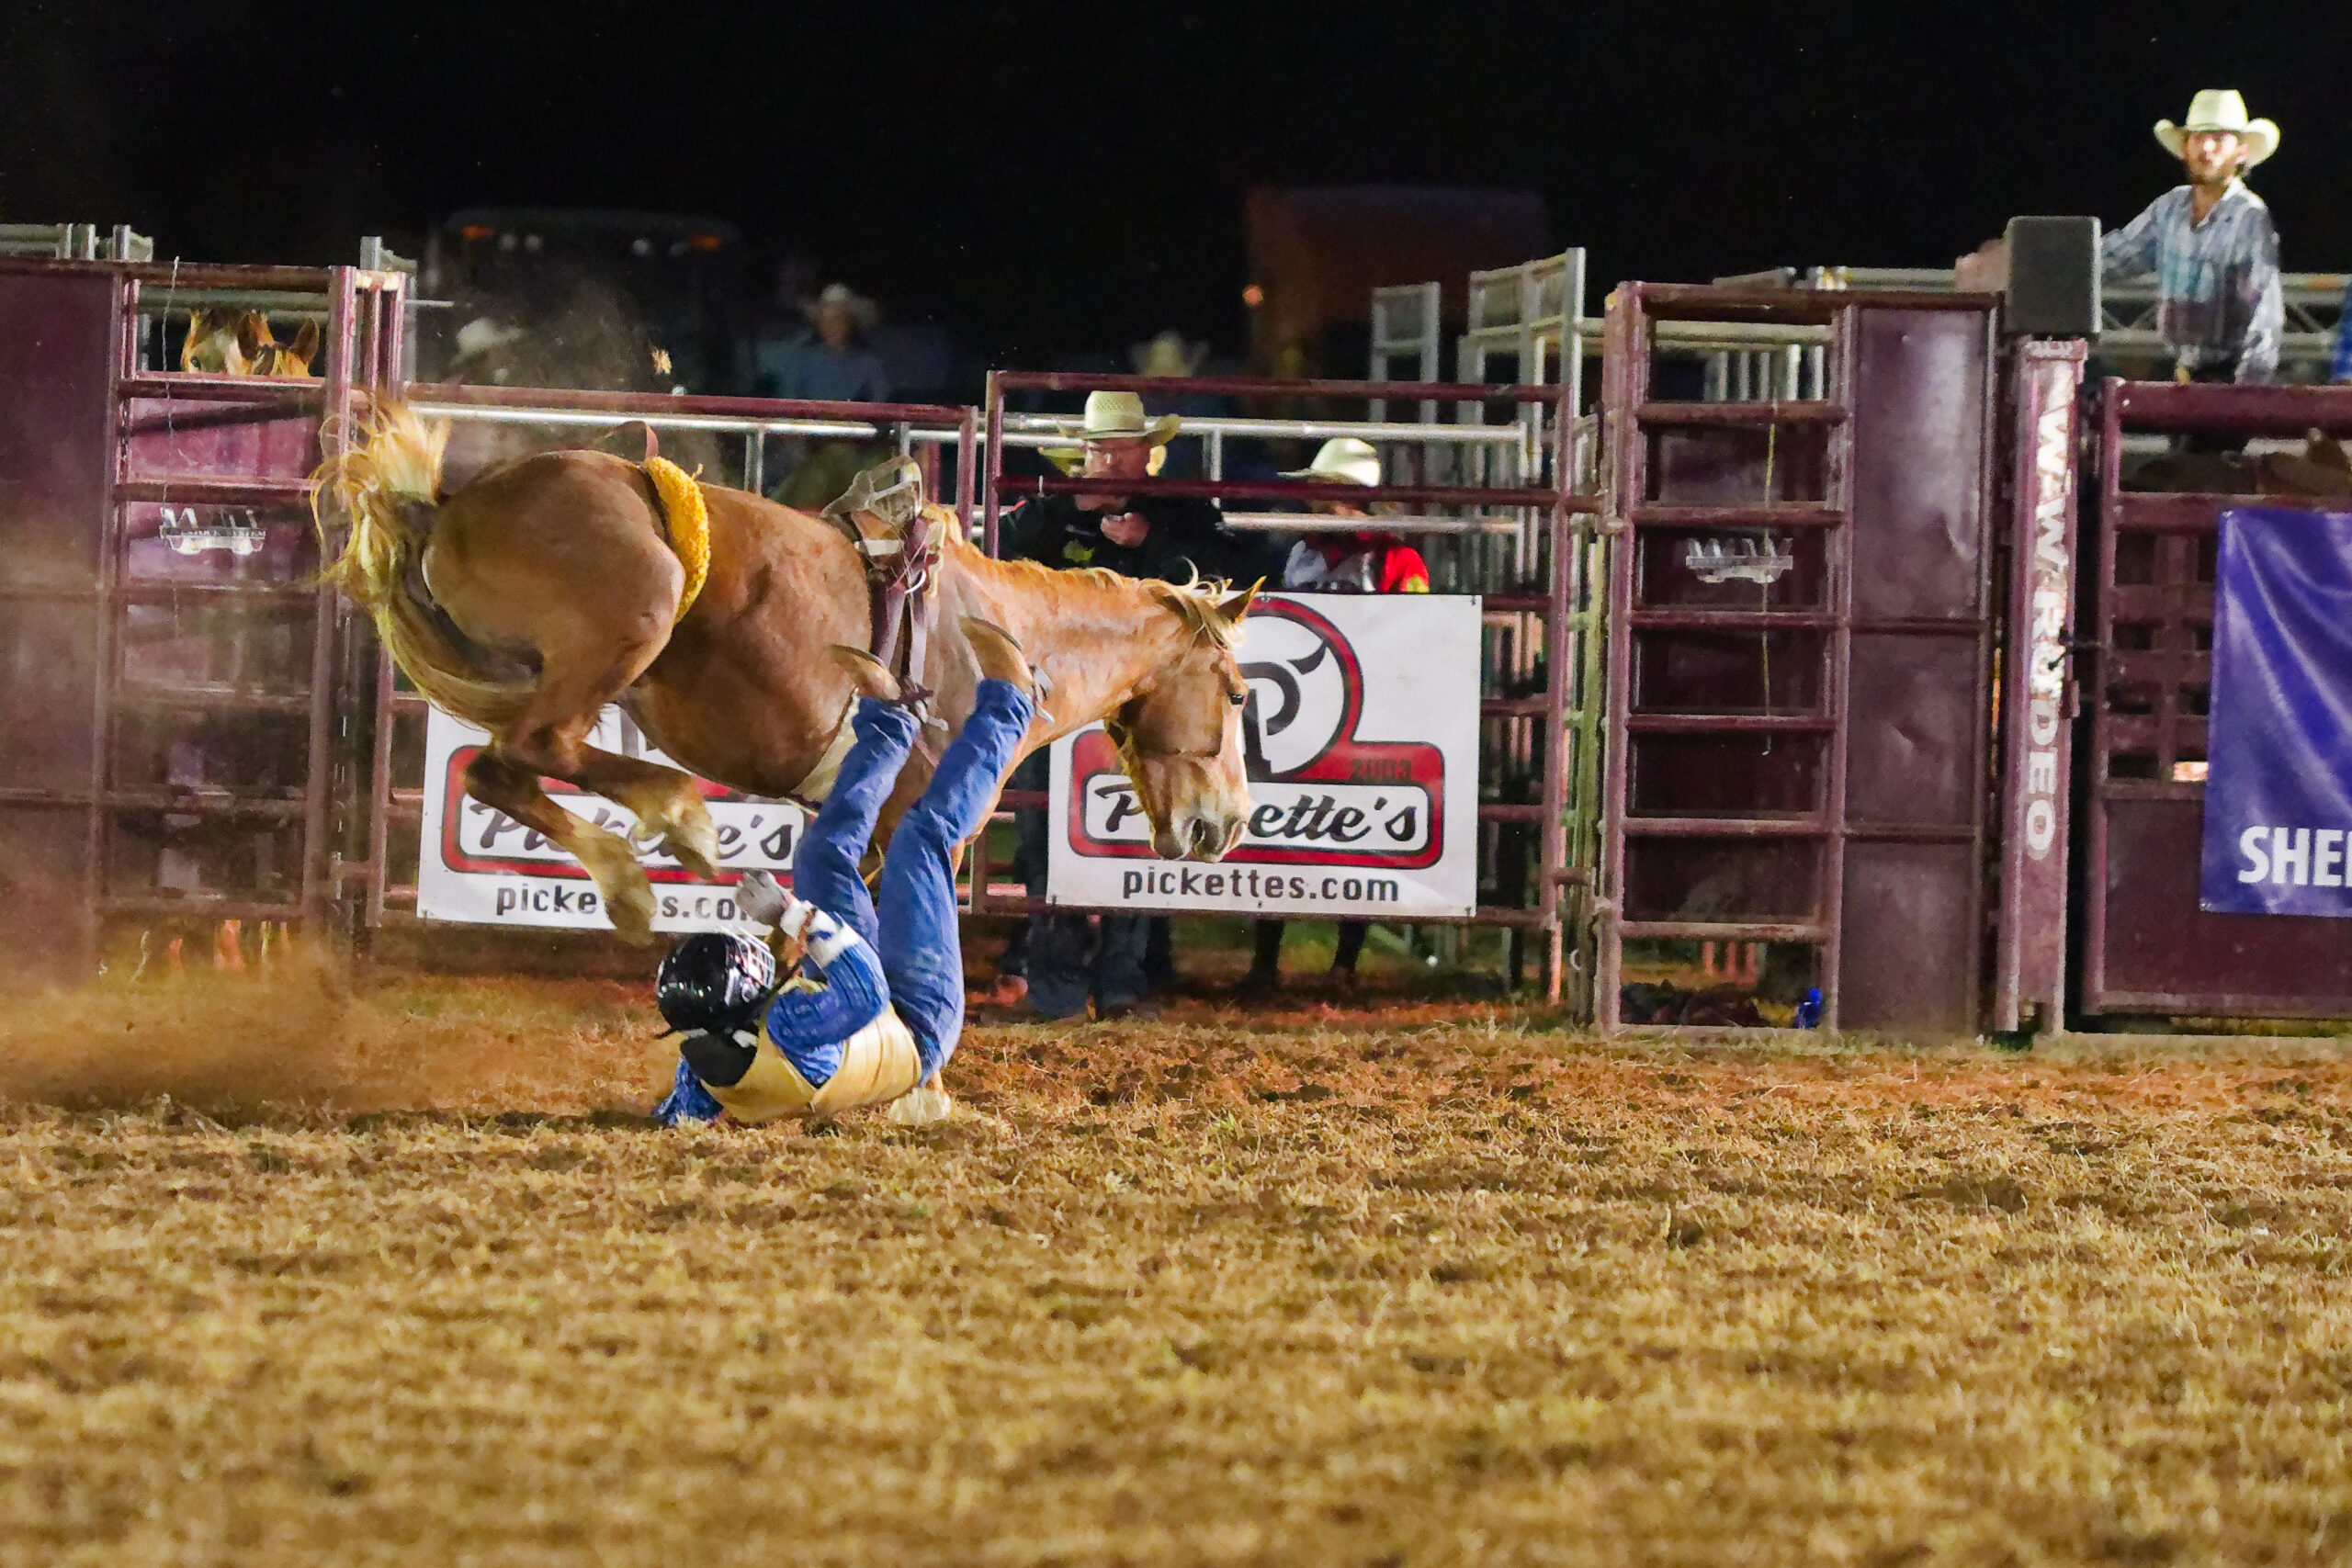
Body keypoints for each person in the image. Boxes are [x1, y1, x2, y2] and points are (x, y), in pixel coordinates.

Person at [650, 620, 1038, 1126]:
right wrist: (791, 915)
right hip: (916, 1023)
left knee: (820, 857)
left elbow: (683, 1113)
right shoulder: (786, 1026)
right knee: (920, 839)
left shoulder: (709, 1052)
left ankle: (891, 722)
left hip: (855, 1019)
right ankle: (1011, 704)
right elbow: (866, 988)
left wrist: (672, 1119)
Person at [994, 390, 1268, 1021]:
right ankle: (1059, 983)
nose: (1107, 458)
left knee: (1136, 833)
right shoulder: (1049, 510)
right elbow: (998, 563)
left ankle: (1122, 979)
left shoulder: (1180, 511)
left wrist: (1157, 544)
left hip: (1145, 705)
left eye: (1119, 447)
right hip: (1059, 700)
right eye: (1098, 447)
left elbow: (1238, 568)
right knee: (1043, 837)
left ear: (1147, 454)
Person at [1242, 438, 1428, 996]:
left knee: (1353, 837)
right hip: (1302, 706)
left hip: (1362, 707)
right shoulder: (1302, 551)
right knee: (1283, 826)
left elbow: (1415, 631)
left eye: (1324, 491)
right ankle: (1267, 962)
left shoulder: (1396, 558)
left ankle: (1341, 964)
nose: (1313, 501)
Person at [2099, 89, 2284, 389]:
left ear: (2240, 151)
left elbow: (2265, 312)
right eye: (2198, 137)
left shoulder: (2248, 217)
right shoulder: (2169, 208)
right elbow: (2113, 257)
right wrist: (2049, 267)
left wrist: (2247, 392)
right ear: (2186, 148)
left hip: (2228, 378)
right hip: (2185, 376)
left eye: (2219, 138)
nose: (2207, 148)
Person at [752, 283, 895, 509]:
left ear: (849, 323)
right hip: (807, 454)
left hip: (858, 457)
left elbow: (881, 412)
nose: (832, 327)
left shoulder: (869, 365)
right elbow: (787, 406)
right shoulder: (802, 361)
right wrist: (797, 442)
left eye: (838, 319)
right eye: (826, 320)